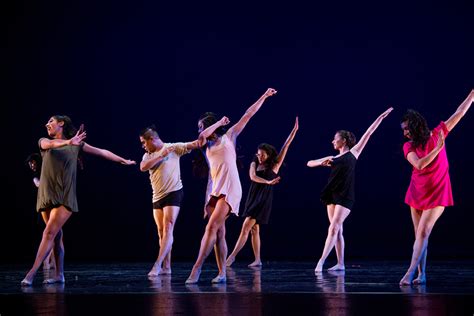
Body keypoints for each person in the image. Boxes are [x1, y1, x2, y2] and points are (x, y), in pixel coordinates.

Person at [21, 115, 136, 286]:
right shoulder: (44, 141)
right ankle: (59, 275)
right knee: (56, 236)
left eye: (51, 121)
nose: (47, 124)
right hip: (47, 194)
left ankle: (31, 274)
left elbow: (101, 152)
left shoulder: (77, 145)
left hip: (65, 195)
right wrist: (69, 142)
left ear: (61, 123)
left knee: (49, 233)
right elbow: (51, 144)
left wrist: (123, 160)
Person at [185, 88, 277, 284]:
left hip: (232, 187)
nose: (199, 131)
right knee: (219, 232)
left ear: (208, 126)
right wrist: (206, 200)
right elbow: (210, 171)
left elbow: (248, 114)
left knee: (211, 227)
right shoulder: (205, 146)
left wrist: (264, 96)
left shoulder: (230, 136)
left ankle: (197, 269)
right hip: (216, 188)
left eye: (201, 126)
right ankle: (222, 273)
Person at [399, 90, 474, 286]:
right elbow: (420, 165)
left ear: (415, 126)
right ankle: (422, 275)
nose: (405, 132)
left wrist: (471, 96)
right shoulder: (408, 146)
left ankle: (409, 272)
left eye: (406, 128)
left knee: (423, 233)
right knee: (419, 236)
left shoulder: (437, 133)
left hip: (438, 192)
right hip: (417, 191)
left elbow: (459, 113)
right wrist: (437, 149)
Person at [308, 107, 393, 272]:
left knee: (333, 228)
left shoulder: (354, 152)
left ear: (344, 141)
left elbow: (368, 133)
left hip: (345, 196)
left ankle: (321, 262)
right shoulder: (332, 158)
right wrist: (321, 162)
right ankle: (340, 264)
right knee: (337, 230)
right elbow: (309, 162)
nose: (333, 141)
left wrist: (380, 117)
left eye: (335, 139)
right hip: (331, 194)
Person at [226, 117, 299, 268]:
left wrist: (294, 131)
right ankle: (258, 260)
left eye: (262, 155)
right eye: (258, 154)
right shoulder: (254, 161)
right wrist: (267, 182)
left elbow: (286, 145)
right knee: (254, 230)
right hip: (252, 197)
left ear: (269, 154)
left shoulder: (275, 164)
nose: (259, 156)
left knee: (246, 226)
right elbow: (252, 176)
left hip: (263, 200)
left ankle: (231, 257)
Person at [139, 125, 200, 276]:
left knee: (168, 227)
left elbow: (195, 143)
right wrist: (161, 155)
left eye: (144, 142)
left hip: (174, 192)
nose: (143, 146)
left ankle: (157, 265)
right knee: (162, 233)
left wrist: (210, 129)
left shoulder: (173, 147)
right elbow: (143, 167)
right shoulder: (148, 155)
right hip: (157, 196)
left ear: (152, 139)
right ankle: (167, 267)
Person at [25, 153, 56, 270]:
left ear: (37, 161)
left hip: (52, 201)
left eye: (32, 163)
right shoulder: (36, 175)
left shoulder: (47, 169)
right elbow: (38, 184)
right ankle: (47, 261)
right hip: (44, 202)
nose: (31, 166)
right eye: (30, 164)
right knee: (49, 231)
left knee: (53, 232)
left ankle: (51, 261)